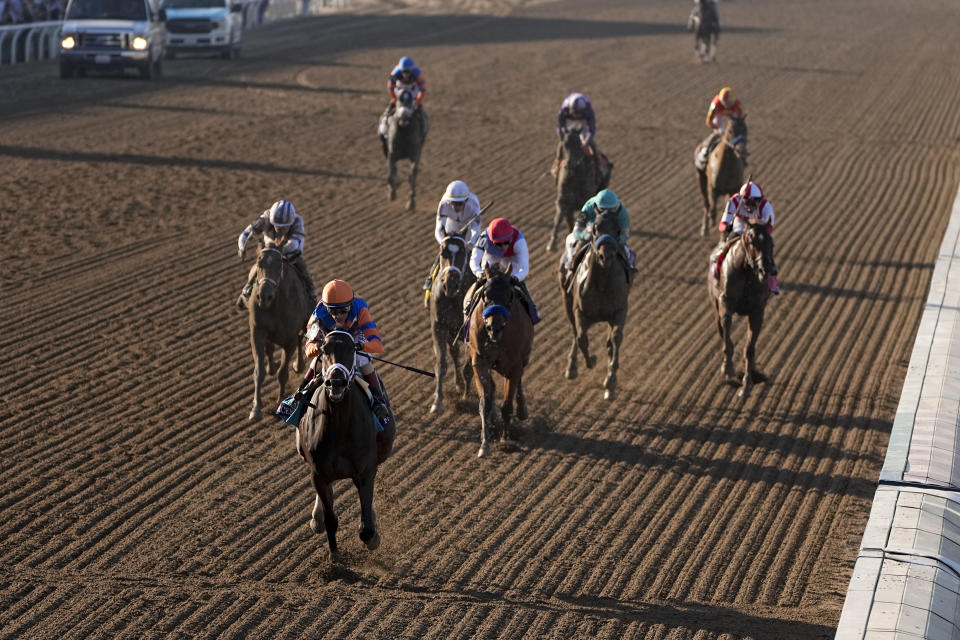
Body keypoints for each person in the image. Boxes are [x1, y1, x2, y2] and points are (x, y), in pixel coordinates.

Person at [296, 280, 396, 457]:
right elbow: (308, 349)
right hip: (330, 348)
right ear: (326, 308)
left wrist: (361, 347)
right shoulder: (317, 314)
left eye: (343, 311)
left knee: (364, 362)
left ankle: (379, 402)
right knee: (316, 362)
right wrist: (319, 347)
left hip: (355, 342)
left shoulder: (360, 307)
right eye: (333, 311)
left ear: (351, 305)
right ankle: (298, 398)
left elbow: (377, 344)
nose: (338, 316)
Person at [236, 199, 316, 308]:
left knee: (302, 267)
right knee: (260, 265)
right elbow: (247, 233)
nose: (280, 230)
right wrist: (242, 247)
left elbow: (296, 245)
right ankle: (248, 287)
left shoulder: (297, 221)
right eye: (277, 226)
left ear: (291, 223)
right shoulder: (265, 219)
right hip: (269, 248)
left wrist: (280, 250)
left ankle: (311, 293)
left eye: (284, 228)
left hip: (289, 252)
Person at [462, 217, 541, 325]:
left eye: (506, 243)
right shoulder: (484, 238)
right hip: (492, 257)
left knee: (521, 285)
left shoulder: (519, 241)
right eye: (498, 244)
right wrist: (479, 273)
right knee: (479, 283)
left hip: (511, 260)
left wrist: (515, 277)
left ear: (511, 238)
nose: (503, 247)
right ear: (491, 240)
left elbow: (524, 268)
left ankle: (532, 310)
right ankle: (469, 306)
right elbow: (474, 261)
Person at [712, 181, 780, 294]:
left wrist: (757, 231)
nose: (750, 207)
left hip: (758, 228)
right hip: (740, 225)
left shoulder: (766, 206)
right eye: (747, 203)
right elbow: (722, 224)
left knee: (766, 247)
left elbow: (769, 228)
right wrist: (726, 227)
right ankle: (718, 269)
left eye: (754, 203)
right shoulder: (733, 201)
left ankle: (772, 277)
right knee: (728, 243)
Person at [422, 180, 484, 305]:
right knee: (443, 256)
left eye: (459, 204)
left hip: (467, 232)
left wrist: (468, 244)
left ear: (466, 201)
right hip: (450, 229)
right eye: (453, 203)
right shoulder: (443, 204)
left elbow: (475, 230)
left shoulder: (473, 204)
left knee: (477, 258)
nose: (456, 207)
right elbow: (439, 228)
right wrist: (444, 242)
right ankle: (430, 282)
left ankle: (481, 284)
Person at [561, 188, 635, 287]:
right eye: (603, 210)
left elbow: (625, 234)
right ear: (596, 207)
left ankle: (629, 274)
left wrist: (618, 240)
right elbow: (576, 231)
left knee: (626, 252)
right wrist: (585, 235)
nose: (607, 213)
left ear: (616, 206)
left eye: (611, 210)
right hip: (592, 229)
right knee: (572, 241)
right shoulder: (588, 207)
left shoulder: (622, 211)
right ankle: (570, 269)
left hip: (612, 234)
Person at [552, 92, 612, 189]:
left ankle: (598, 171)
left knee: (593, 148)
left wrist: (586, 143)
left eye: (579, 115)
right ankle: (556, 169)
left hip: (584, 125)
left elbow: (591, 130)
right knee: (560, 147)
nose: (577, 117)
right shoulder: (564, 108)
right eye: (575, 114)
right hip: (569, 125)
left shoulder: (588, 110)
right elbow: (559, 127)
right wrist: (564, 140)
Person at [378, 56, 427, 156]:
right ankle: (384, 131)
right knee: (388, 112)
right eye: (404, 72)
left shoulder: (417, 75)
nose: (406, 74)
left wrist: (416, 103)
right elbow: (390, 89)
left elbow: (422, 90)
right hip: (399, 91)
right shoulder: (395, 74)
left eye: (408, 72)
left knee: (420, 114)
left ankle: (422, 132)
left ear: (412, 70)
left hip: (413, 92)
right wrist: (395, 101)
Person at [695, 87, 744, 170]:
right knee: (719, 134)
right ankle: (705, 152)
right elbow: (709, 121)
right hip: (719, 119)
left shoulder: (737, 105)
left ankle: (742, 156)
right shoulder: (715, 104)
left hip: (731, 119)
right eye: (725, 103)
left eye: (729, 103)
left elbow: (740, 119)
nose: (727, 106)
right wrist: (718, 129)